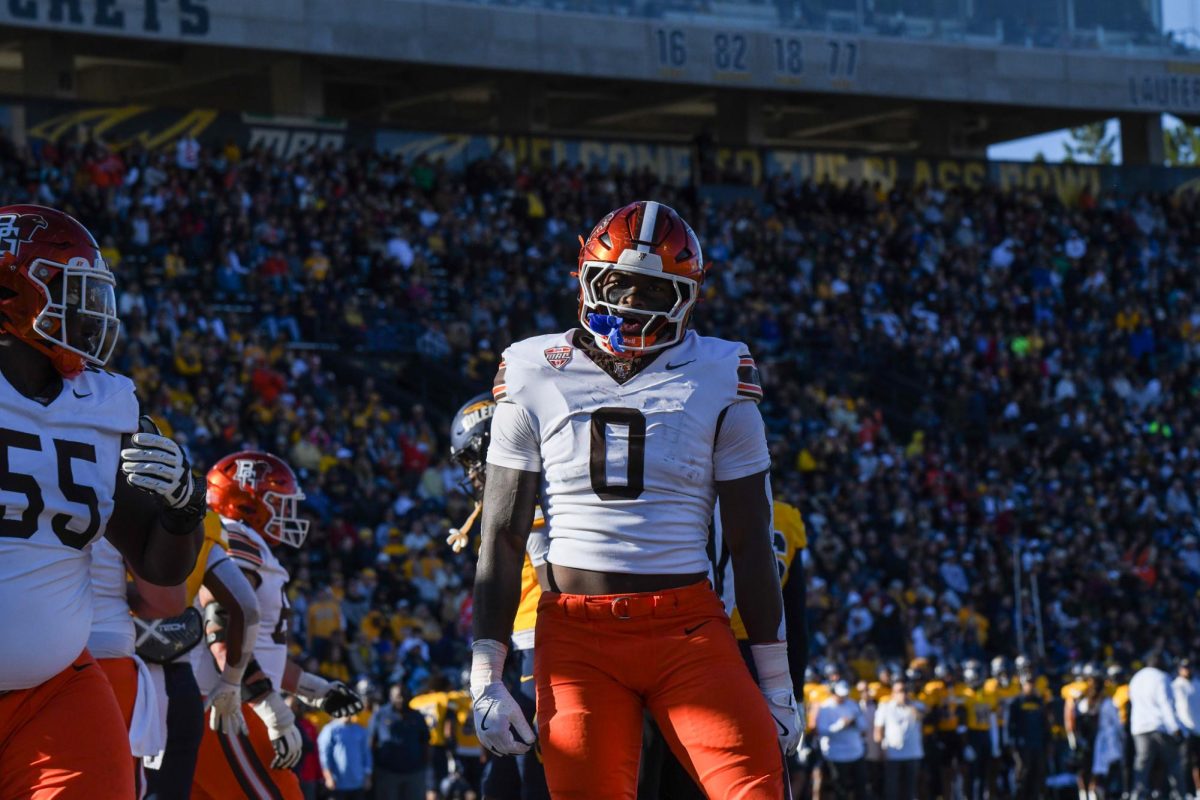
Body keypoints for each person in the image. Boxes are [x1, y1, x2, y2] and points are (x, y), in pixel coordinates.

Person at [470, 200, 802, 798]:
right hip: (576, 633)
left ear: (687, 296)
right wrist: (485, 675)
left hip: (689, 628)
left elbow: (751, 542)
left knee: (756, 790)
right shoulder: (532, 368)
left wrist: (776, 683)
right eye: (619, 285)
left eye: (654, 290)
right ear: (587, 280)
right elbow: (500, 534)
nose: (631, 304)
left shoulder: (721, 370)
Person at [0, 204, 205, 798]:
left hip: (56, 689)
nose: (90, 310)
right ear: (11, 291)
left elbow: (157, 565)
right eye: (70, 289)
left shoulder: (107, 402)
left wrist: (182, 508)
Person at [191, 451, 364, 800]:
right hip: (228, 708)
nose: (287, 513)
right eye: (278, 503)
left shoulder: (238, 540)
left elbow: (257, 646)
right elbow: (223, 622)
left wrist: (316, 690)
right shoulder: (234, 535)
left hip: (221, 703)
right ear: (245, 503)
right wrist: (272, 709)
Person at [445, 393, 549, 800]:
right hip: (521, 652)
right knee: (501, 783)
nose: (472, 474)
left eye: (473, 461)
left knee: (534, 775)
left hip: (543, 647)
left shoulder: (531, 494)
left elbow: (550, 578)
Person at [143, 510, 261, 800]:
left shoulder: (101, 496)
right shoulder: (198, 518)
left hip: (105, 668)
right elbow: (246, 607)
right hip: (175, 679)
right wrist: (232, 681)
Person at [87, 536, 187, 795]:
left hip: (18, 655)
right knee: (111, 785)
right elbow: (167, 601)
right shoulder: (117, 499)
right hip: (105, 656)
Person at [1129, 654, 1186, 800]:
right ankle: (1179, 795)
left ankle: (1138, 795)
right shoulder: (1162, 677)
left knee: (1142, 767)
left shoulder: (1136, 678)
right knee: (1174, 763)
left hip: (1140, 729)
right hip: (1160, 727)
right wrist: (1175, 728)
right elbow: (1166, 704)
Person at [368, 684, 429, 800]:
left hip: (414, 772)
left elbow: (425, 742)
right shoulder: (380, 715)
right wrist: (373, 769)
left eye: (404, 695)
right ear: (390, 697)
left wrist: (424, 766)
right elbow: (371, 742)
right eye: (398, 696)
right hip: (388, 772)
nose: (401, 699)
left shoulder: (417, 716)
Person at [816, 680, 868, 799]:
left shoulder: (852, 704)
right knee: (840, 789)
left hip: (856, 752)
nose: (843, 697)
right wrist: (840, 725)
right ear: (833, 693)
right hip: (837, 755)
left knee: (861, 787)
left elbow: (864, 726)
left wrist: (854, 722)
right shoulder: (825, 707)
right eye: (840, 695)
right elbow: (822, 731)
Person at [874, 680, 924, 800]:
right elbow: (878, 730)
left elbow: (922, 717)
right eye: (899, 691)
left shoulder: (917, 706)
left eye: (905, 691)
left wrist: (909, 706)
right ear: (893, 693)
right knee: (892, 787)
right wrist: (880, 750)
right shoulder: (885, 707)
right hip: (893, 754)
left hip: (913, 753)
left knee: (910, 787)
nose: (903, 694)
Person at [1007, 675, 1051, 800]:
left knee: (1038, 775)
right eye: (1028, 683)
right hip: (1022, 746)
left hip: (1038, 744)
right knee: (1022, 776)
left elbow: (1045, 724)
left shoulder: (1039, 701)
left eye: (1032, 683)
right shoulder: (1016, 702)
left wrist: (1048, 741)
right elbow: (1010, 726)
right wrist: (1012, 745)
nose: (1030, 686)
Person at [319, 714, 373, 800]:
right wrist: (328, 777)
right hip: (337, 784)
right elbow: (324, 756)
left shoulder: (360, 730)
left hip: (357, 783)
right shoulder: (330, 730)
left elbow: (366, 754)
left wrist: (367, 777)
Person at [1173, 658, 1200, 797]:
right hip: (1185, 730)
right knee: (1185, 763)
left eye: (1189, 667)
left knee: (1197, 763)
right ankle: (1186, 792)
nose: (1187, 670)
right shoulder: (1176, 686)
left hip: (1198, 730)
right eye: (1184, 667)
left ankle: (1198, 791)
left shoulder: (1197, 683)